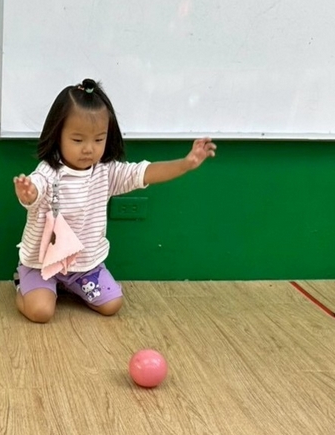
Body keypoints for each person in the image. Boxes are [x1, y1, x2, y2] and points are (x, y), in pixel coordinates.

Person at [13, 79, 216, 323]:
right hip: (42, 265)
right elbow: (36, 188)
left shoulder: (106, 172)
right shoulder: (48, 171)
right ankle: (24, 283)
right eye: (78, 140)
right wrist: (29, 193)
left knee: (112, 304)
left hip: (84, 266)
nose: (89, 149)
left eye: (99, 139)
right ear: (58, 136)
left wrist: (185, 164)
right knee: (41, 312)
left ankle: (69, 286)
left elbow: (145, 173)